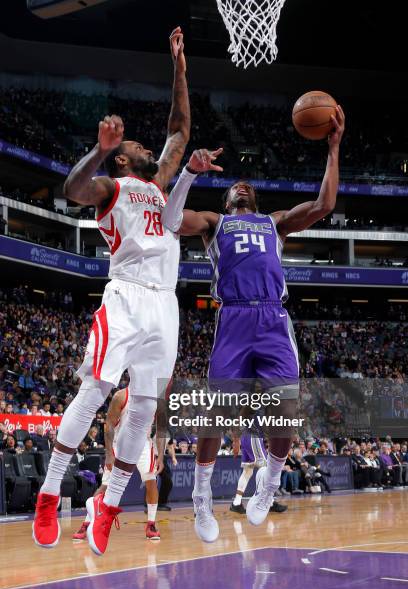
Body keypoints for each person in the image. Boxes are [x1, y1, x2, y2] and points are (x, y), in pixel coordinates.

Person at [32, 27, 190, 555]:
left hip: (165, 305)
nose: (147, 146)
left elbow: (179, 130)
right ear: (123, 159)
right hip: (125, 294)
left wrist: (180, 66)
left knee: (143, 408)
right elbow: (72, 189)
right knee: (96, 390)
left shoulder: (160, 184)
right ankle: (51, 490)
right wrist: (98, 152)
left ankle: (110, 506)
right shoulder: (113, 185)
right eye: (135, 145)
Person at [160, 105, 345, 541]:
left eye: (247, 186)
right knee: (217, 413)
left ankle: (270, 483)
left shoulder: (274, 223)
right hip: (234, 317)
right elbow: (169, 221)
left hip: (273, 318)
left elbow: (325, 204)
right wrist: (189, 173)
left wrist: (333, 149)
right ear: (226, 200)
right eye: (234, 186)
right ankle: (202, 498)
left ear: (255, 200)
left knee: (286, 414)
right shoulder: (214, 223)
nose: (241, 187)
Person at [73, 387, 163, 542]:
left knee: (151, 481)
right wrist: (108, 454)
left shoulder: (156, 398)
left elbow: (162, 429)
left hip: (143, 444)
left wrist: (160, 455)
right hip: (119, 444)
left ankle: (151, 524)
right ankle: (87, 523)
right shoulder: (121, 396)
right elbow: (108, 425)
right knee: (105, 485)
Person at [230, 434, 288, 514]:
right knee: (266, 468)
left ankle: (236, 502)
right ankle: (270, 503)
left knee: (247, 471)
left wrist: (236, 440)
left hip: (245, 438)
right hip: (254, 437)